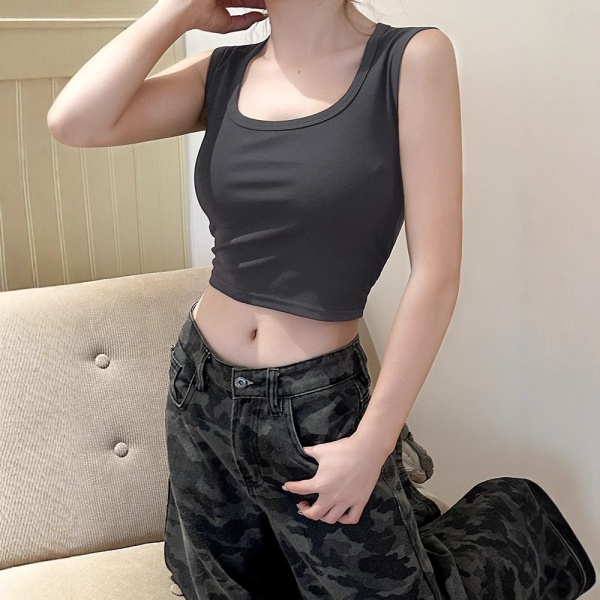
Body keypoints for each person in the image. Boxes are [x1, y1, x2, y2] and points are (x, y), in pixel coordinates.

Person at [47, 0, 596, 598]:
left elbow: (437, 274)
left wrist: (373, 442)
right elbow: (75, 122)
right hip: (200, 390)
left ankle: (521, 516)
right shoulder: (221, 72)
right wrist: (178, 11)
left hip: (315, 408)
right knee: (225, 589)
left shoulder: (408, 59)